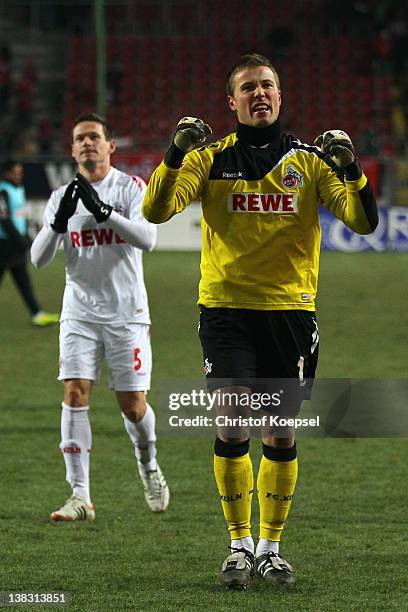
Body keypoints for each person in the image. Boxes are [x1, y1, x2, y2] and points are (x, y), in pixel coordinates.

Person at [142, 53, 378, 589]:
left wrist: (351, 168)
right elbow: (156, 211)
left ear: (281, 94)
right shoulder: (209, 158)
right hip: (225, 310)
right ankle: (238, 545)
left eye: (267, 85)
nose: (260, 94)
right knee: (231, 420)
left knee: (278, 432)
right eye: (248, 88)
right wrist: (175, 152)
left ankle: (271, 548)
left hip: (289, 313)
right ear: (233, 102)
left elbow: (363, 222)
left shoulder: (310, 161)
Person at [31, 113, 170, 521]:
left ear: (111, 146)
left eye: (94, 136)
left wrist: (105, 212)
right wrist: (58, 223)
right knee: (74, 394)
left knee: (132, 405)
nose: (87, 143)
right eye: (80, 139)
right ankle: (79, 496)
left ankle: (148, 464)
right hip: (79, 313)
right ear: (72, 150)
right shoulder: (61, 198)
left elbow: (148, 239)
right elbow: (38, 260)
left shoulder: (131, 188)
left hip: (127, 314)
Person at [0, 159, 59, 327]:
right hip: (4, 244)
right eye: (15, 173)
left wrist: (29, 230)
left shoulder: (18, 189)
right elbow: (4, 219)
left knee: (24, 281)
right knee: (21, 280)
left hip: (16, 244)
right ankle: (37, 313)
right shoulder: (3, 191)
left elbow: (20, 214)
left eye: (20, 173)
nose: (19, 176)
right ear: (6, 173)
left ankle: (37, 314)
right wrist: (21, 240)